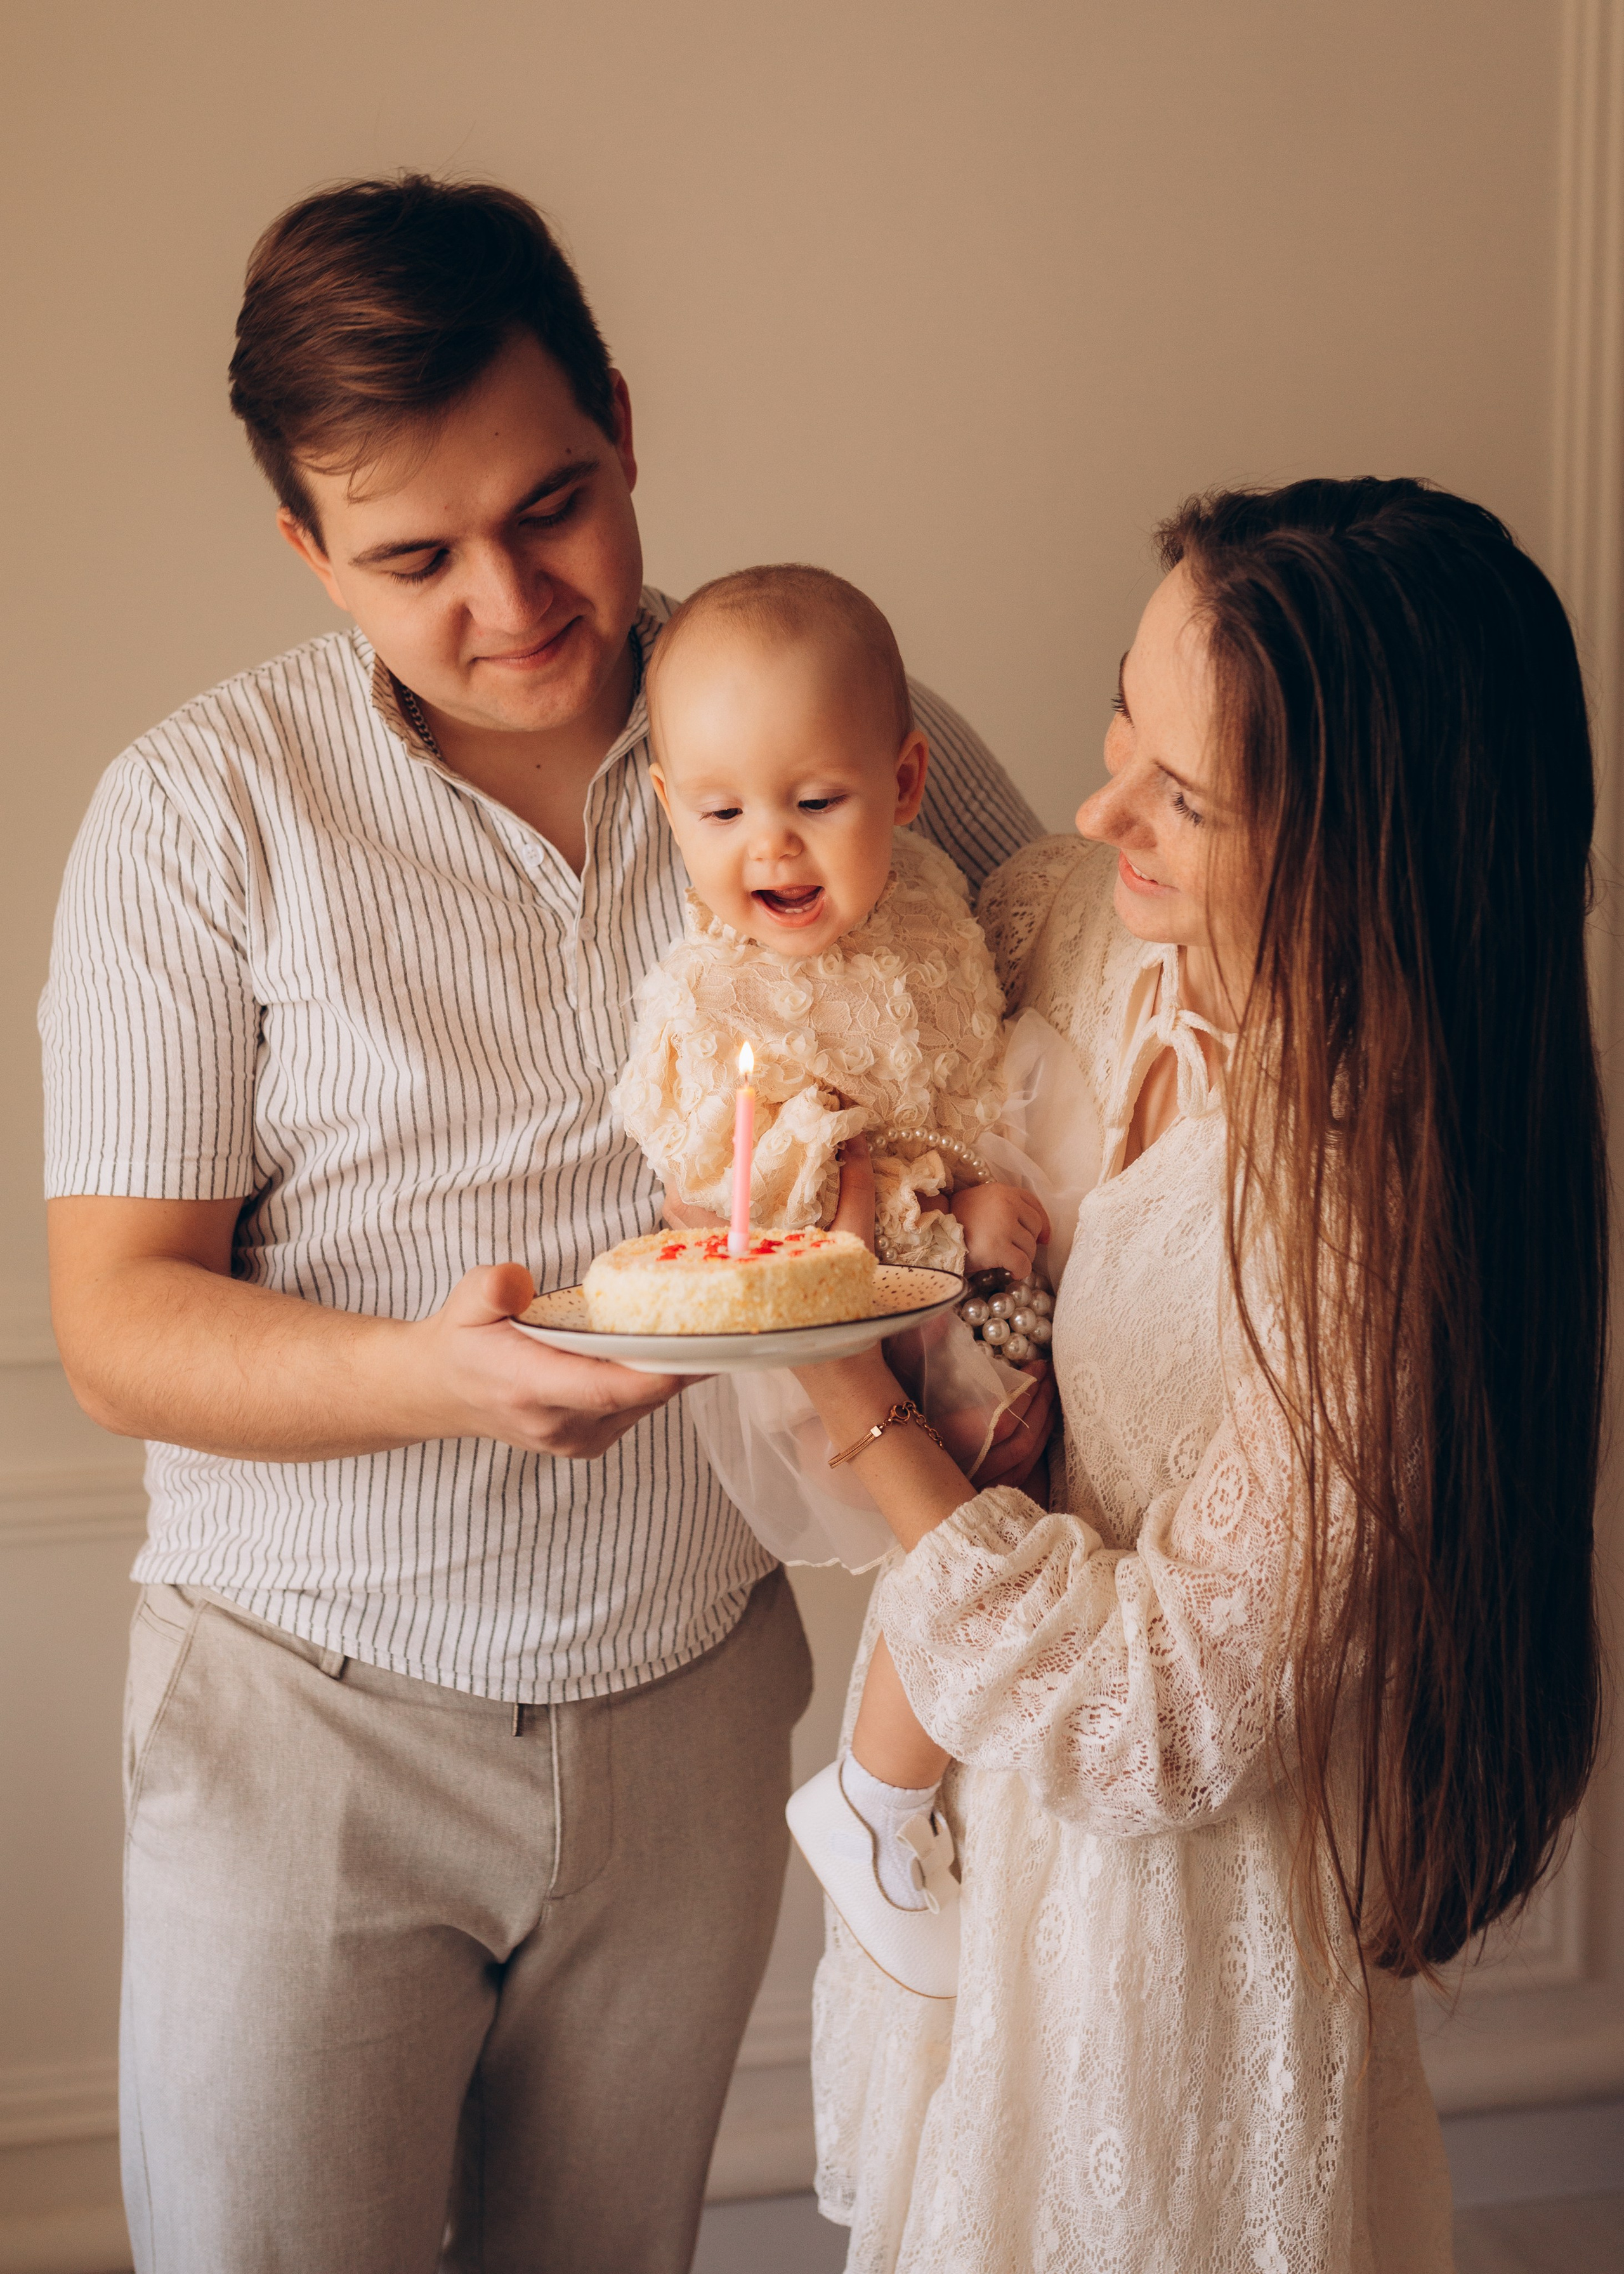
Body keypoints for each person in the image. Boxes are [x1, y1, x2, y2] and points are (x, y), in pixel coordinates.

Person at [37, 175, 1040, 2274]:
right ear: (308, 553)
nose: (512, 598)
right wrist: (433, 1373)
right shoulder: (191, 816)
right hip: (308, 1727)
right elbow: (122, 1323)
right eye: (414, 558)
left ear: (623, 420)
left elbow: (1066, 1008)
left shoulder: (817, 720)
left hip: (687, 1710)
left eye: (554, 504)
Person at [792, 478, 1606, 2270]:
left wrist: (850, 1404)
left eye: (1183, 795)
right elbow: (846, 889)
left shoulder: (1378, 1215)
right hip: (987, 1864)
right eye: (1122, 718)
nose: (1100, 812)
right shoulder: (1094, 932)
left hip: (1167, 1967)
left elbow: (1165, 1716)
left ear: (1357, 844)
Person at [615, 562, 1059, 1995]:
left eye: (816, 802)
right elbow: (707, 1160)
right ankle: (875, 1796)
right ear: (668, 804)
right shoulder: (713, 988)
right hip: (818, 1303)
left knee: (1023, 1497)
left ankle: (904, 1791)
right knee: (967, 1510)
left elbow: (972, 1061)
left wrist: (980, 1176)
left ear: (905, 778)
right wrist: (818, 1180)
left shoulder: (933, 907)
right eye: (720, 810)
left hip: (947, 1266)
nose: (772, 850)